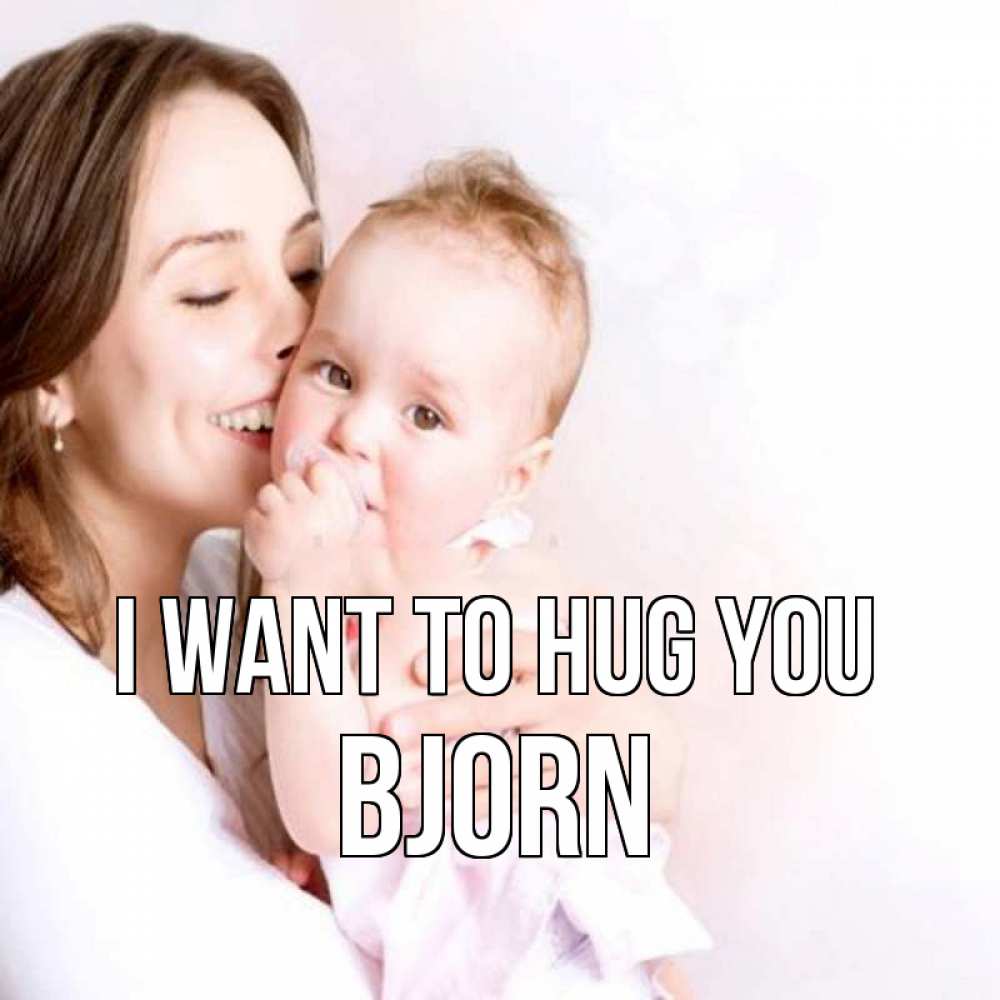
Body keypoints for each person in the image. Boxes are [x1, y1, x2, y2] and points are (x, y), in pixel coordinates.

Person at [0, 25, 687, 999]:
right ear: (47, 369)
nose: (301, 333)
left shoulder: (254, 591)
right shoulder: (28, 718)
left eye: (305, 271)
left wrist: (613, 744)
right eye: (209, 292)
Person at [244, 151, 710, 999]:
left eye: (425, 414)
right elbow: (328, 812)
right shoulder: (286, 591)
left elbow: (630, 811)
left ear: (512, 477)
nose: (355, 432)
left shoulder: (519, 593)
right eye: (335, 374)